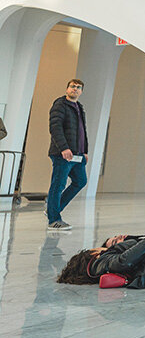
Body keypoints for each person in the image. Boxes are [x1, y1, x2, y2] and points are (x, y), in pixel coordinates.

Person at [46, 78, 90, 229]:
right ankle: (54, 220)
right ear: (67, 89)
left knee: (81, 181)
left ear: (81, 91)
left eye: (78, 87)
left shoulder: (79, 107)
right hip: (63, 153)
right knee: (58, 185)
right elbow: (55, 127)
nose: (75, 89)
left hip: (77, 154)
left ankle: (53, 209)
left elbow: (82, 131)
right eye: (72, 86)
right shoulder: (60, 104)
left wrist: (85, 151)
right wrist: (64, 148)